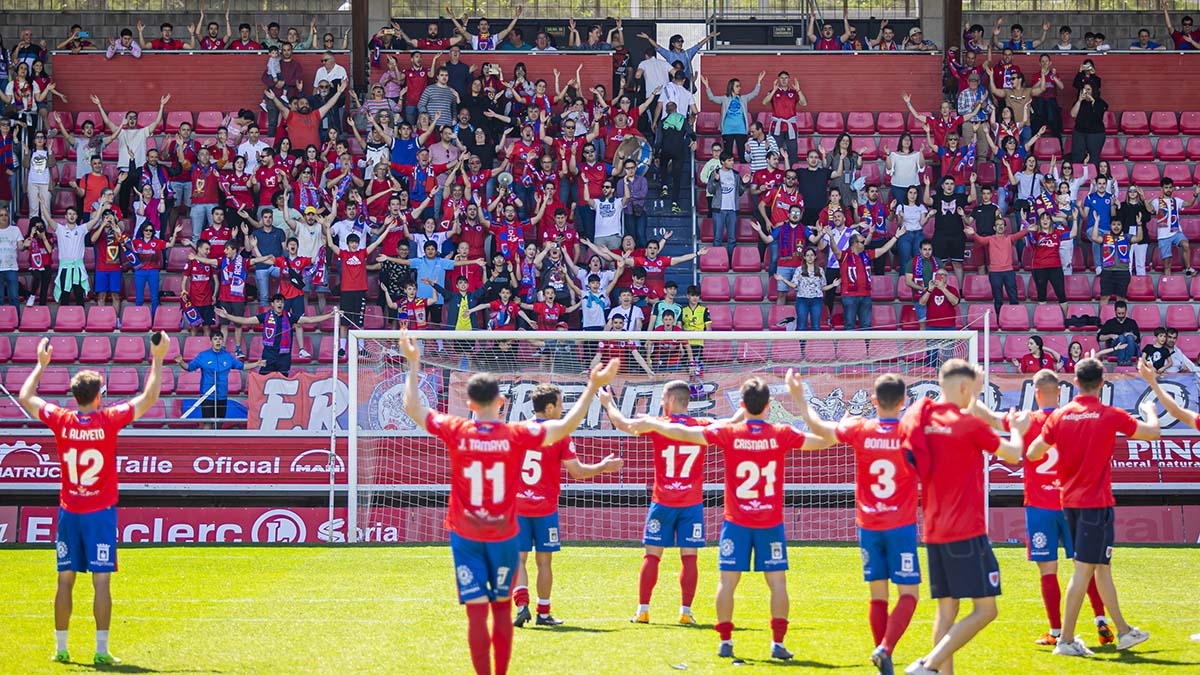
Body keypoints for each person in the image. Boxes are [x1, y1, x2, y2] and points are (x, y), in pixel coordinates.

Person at [398, 330, 618, 675]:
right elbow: (565, 426)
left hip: (466, 535)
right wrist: (592, 386)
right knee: (501, 611)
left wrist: (413, 363)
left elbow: (412, 407)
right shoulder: (516, 435)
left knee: (477, 615)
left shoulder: (457, 429)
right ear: (500, 401)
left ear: (470, 404)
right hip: (502, 532)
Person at [626, 375, 835, 661]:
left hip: (736, 521)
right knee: (777, 583)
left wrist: (654, 424)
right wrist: (803, 402)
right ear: (769, 405)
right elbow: (823, 441)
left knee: (727, 583)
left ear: (741, 404)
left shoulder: (730, 433)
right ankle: (777, 643)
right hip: (770, 522)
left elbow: (684, 433)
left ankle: (725, 641)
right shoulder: (781, 433)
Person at [17, 331, 170, 665]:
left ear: (75, 396)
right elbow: (149, 397)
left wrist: (41, 365)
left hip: (70, 510)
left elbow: (25, 395)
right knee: (101, 582)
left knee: (65, 580)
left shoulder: (61, 419)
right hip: (100, 512)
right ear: (99, 395)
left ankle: (61, 648)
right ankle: (101, 651)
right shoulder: (109, 420)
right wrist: (158, 358)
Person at [899, 360, 1028, 675]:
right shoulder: (968, 425)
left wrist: (975, 393)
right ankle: (927, 665)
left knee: (947, 611)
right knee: (986, 610)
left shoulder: (923, 417)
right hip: (966, 529)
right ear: (964, 387)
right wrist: (1018, 429)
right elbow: (1013, 453)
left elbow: (959, 417)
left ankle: (938, 671)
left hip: (934, 529)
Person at [972, 369, 1115, 647]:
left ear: (1035, 392)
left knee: (1048, 570)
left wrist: (974, 390)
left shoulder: (1027, 420)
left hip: (1040, 507)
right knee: (1085, 566)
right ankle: (1101, 620)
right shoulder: (1070, 417)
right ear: (1060, 391)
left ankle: (1057, 631)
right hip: (1073, 504)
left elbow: (987, 417)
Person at [1027, 359, 1158, 656]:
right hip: (1095, 504)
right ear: (1102, 383)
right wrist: (1150, 410)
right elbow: (1152, 433)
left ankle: (1123, 631)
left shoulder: (1060, 415)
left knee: (1101, 568)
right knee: (1084, 570)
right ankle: (1066, 640)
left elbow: (1034, 453)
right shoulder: (1109, 414)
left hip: (1069, 503)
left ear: (1075, 382)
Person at [796, 374, 920, 675]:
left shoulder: (859, 428)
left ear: (874, 402)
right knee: (908, 594)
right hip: (900, 525)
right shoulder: (911, 432)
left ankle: (882, 659)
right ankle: (885, 649)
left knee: (878, 596)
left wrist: (798, 397)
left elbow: (818, 427)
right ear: (904, 402)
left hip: (869, 525)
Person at [599, 380, 728, 625]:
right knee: (689, 557)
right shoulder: (701, 426)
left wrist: (608, 403)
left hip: (663, 502)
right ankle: (685, 612)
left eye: (662, 399)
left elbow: (623, 424)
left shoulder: (658, 424)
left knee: (652, 556)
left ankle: (643, 610)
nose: (660, 403)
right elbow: (727, 425)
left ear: (671, 400)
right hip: (691, 503)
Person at [511, 383, 624, 627]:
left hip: (518, 506)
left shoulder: (517, 430)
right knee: (544, 562)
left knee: (518, 559)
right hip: (545, 508)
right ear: (549, 407)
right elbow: (577, 472)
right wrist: (603, 467)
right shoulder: (559, 434)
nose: (563, 409)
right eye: (560, 404)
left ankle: (521, 606)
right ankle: (543, 613)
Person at [215, 295, 335, 376]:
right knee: (263, 381)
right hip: (269, 354)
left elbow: (310, 320)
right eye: (277, 301)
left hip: (284, 356)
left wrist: (329, 316)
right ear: (272, 304)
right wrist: (228, 316)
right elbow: (245, 321)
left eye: (281, 302)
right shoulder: (265, 316)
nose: (280, 304)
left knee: (283, 383)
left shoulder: (290, 316)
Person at [175, 333, 263, 427]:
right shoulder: (203, 356)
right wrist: (181, 362)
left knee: (220, 423)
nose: (218, 341)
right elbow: (189, 367)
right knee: (207, 423)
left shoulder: (228, 356)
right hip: (207, 396)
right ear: (211, 341)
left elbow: (242, 366)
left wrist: (257, 364)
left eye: (220, 339)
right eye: (215, 339)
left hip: (222, 395)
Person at [701, 73, 765, 163]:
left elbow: (754, 94)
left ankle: (743, 170)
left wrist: (759, 82)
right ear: (731, 87)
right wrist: (707, 86)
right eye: (737, 86)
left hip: (741, 130)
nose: (740, 88)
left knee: (742, 154)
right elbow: (712, 98)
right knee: (728, 155)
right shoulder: (725, 99)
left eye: (739, 86)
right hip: (727, 130)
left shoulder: (743, 98)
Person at [1150, 177, 1199, 276]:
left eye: (1170, 187)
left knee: (1185, 244)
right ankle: (1168, 282)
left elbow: (1189, 204)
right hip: (1163, 236)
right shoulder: (1156, 201)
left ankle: (1188, 269)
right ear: (1162, 189)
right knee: (1167, 265)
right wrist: (1144, 200)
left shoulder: (1176, 200)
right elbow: (1149, 209)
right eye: (1166, 187)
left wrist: (1195, 194)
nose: (1168, 189)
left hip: (1176, 232)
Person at [1092, 214, 1139, 309]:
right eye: (1114, 224)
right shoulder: (1105, 237)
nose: (1116, 227)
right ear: (1110, 226)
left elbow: (1139, 238)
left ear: (1122, 226)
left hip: (1123, 272)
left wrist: (1139, 225)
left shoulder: (1127, 237)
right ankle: (1102, 317)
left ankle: (1119, 318)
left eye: (1118, 224)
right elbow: (1094, 238)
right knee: (1104, 297)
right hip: (1107, 272)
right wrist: (1096, 222)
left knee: (1121, 299)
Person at [1069, 84, 1107, 167]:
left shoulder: (1099, 102)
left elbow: (1099, 113)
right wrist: (1079, 101)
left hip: (1096, 133)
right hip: (1079, 132)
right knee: (1077, 156)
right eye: (1084, 89)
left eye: (1088, 89)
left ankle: (1093, 174)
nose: (1086, 92)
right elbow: (1073, 114)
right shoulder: (1079, 102)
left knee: (1093, 157)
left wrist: (1092, 100)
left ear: (1093, 91)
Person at [1097, 301, 1140, 366]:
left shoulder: (1132, 322)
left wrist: (1132, 335)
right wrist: (1110, 335)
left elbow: (1138, 339)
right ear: (1115, 312)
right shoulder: (1110, 323)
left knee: (1129, 337)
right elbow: (1099, 337)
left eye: (1123, 313)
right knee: (1121, 337)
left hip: (1130, 348)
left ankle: (1127, 361)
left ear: (1126, 311)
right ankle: (1122, 361)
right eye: (1119, 313)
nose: (1121, 315)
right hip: (1116, 349)